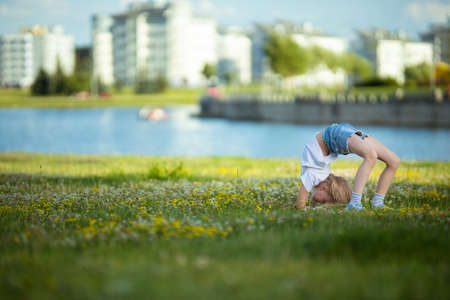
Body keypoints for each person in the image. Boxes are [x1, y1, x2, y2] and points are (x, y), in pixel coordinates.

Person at [295, 123, 400, 210]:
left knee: (371, 156)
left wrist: (303, 208)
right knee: (394, 161)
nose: (322, 202)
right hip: (342, 134)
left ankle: (355, 202)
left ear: (324, 188)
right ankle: (377, 202)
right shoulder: (322, 175)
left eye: (323, 201)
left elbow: (300, 204)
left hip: (334, 135)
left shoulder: (310, 175)